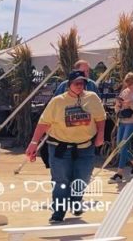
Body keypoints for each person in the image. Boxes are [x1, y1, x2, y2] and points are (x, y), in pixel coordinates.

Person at [26, 70, 106, 223]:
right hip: (60, 147)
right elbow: (44, 123)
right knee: (61, 180)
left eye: (82, 83)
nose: (79, 86)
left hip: (85, 147)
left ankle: (76, 201)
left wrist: (101, 135)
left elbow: (100, 118)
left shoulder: (92, 98)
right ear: (69, 84)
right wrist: (34, 143)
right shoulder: (57, 101)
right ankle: (58, 211)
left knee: (82, 177)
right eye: (76, 83)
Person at [109, 71, 133, 182]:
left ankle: (119, 173)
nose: (132, 86)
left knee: (124, 144)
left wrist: (131, 104)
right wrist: (119, 106)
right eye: (130, 84)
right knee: (119, 146)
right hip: (122, 120)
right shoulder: (124, 92)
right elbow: (116, 107)